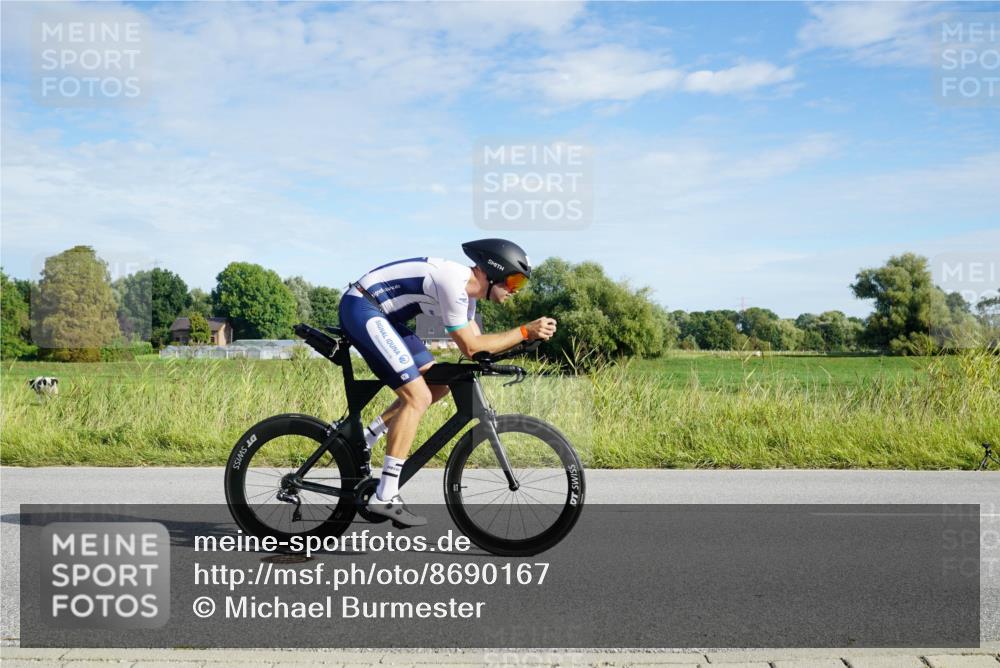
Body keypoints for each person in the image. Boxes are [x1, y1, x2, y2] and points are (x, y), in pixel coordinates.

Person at [337, 239, 557, 526]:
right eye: (514, 281)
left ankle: (368, 438)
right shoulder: (453, 283)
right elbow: (470, 346)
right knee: (418, 397)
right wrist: (525, 332)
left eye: (521, 285)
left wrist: (517, 348)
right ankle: (386, 494)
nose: (515, 291)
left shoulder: (469, 299)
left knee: (438, 383)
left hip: (386, 318)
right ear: (493, 272)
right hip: (362, 308)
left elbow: (479, 350)